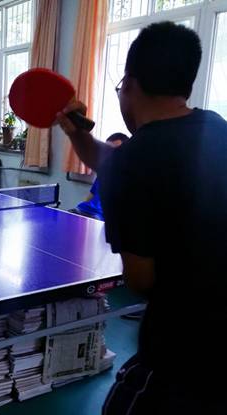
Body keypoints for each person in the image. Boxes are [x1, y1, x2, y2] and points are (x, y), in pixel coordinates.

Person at [57, 22, 227, 414]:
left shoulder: (135, 162)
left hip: (185, 349)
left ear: (130, 84)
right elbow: (119, 162)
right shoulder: (216, 129)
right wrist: (77, 134)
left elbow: (140, 280)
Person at [70, 133, 128, 220]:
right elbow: (90, 197)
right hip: (82, 210)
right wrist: (80, 208)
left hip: (99, 217)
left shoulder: (130, 179)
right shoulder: (103, 173)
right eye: (109, 150)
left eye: (116, 150)